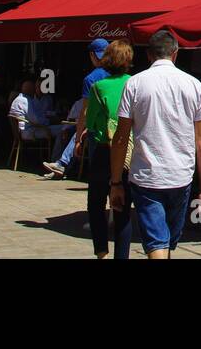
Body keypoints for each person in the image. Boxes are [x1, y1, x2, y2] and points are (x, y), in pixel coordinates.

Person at [110, 30, 201, 259]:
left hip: (147, 176)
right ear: (175, 53)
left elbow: (120, 137)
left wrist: (115, 181)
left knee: (159, 243)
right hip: (181, 176)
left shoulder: (134, 84)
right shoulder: (194, 85)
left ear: (148, 55)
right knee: (165, 242)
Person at [81, 41, 134, 258]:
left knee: (95, 204)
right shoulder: (134, 83)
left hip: (105, 149)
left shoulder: (98, 87)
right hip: (130, 153)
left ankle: (101, 252)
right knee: (123, 209)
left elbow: (91, 122)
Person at [44, 38, 108, 178]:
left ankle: (62, 165)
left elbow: (86, 111)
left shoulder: (91, 79)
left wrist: (79, 137)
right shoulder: (122, 76)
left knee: (97, 175)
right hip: (117, 125)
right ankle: (62, 166)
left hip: (96, 129)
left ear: (92, 55)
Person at [9, 78, 67, 159]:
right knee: (63, 129)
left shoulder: (20, 99)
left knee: (62, 128)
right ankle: (56, 159)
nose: (35, 90)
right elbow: (37, 120)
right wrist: (51, 121)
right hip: (30, 131)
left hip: (30, 129)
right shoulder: (25, 100)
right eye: (34, 88)